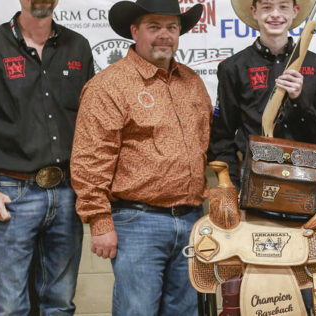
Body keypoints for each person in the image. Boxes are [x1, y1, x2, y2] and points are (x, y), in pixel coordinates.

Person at [0, 0, 94, 314]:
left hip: (68, 194)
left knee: (60, 304)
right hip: (13, 193)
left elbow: (93, 125)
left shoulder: (78, 47)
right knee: (8, 307)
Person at [69, 0, 211, 314]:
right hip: (138, 221)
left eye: (172, 27)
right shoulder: (109, 86)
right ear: (134, 31)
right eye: (154, 26)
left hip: (191, 219)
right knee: (138, 310)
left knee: (186, 311)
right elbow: (90, 159)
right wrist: (100, 220)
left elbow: (206, 145)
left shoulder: (193, 82)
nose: (165, 35)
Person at [208, 0, 316, 190]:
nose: (275, 14)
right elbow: (222, 136)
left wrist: (299, 99)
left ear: (295, 12)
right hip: (255, 179)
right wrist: (231, 187)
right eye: (267, 7)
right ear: (254, 12)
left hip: (306, 179)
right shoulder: (233, 67)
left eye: (283, 7)